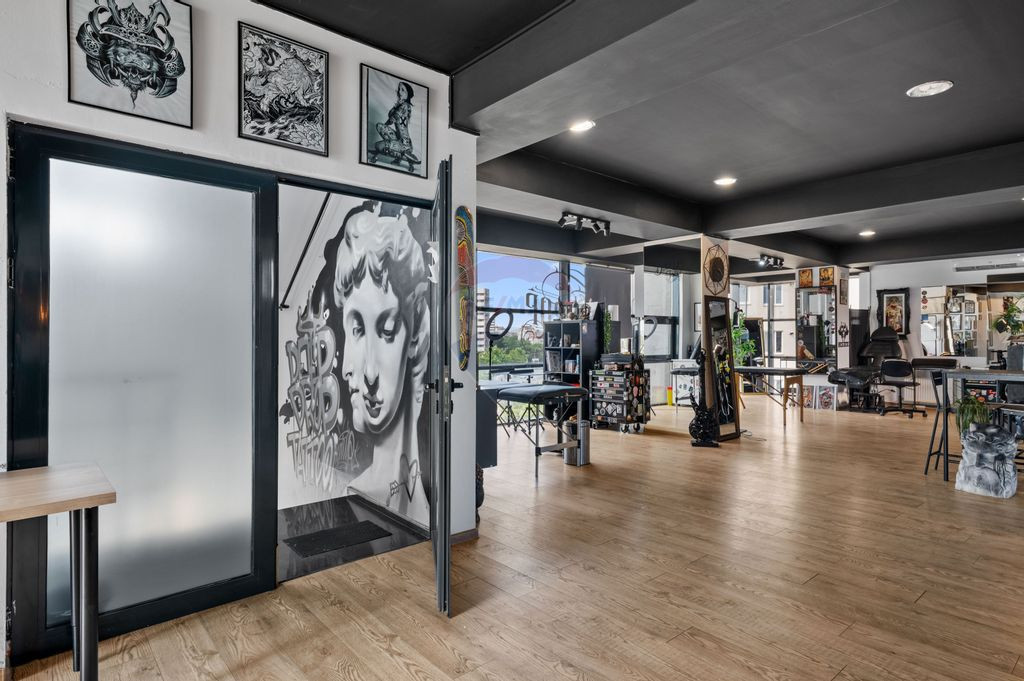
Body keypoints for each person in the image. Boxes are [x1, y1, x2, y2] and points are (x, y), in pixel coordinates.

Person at [334, 205, 431, 526]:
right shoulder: (352, 494)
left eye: (387, 330)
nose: (369, 373)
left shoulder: (433, 509)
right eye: (356, 330)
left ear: (416, 332)